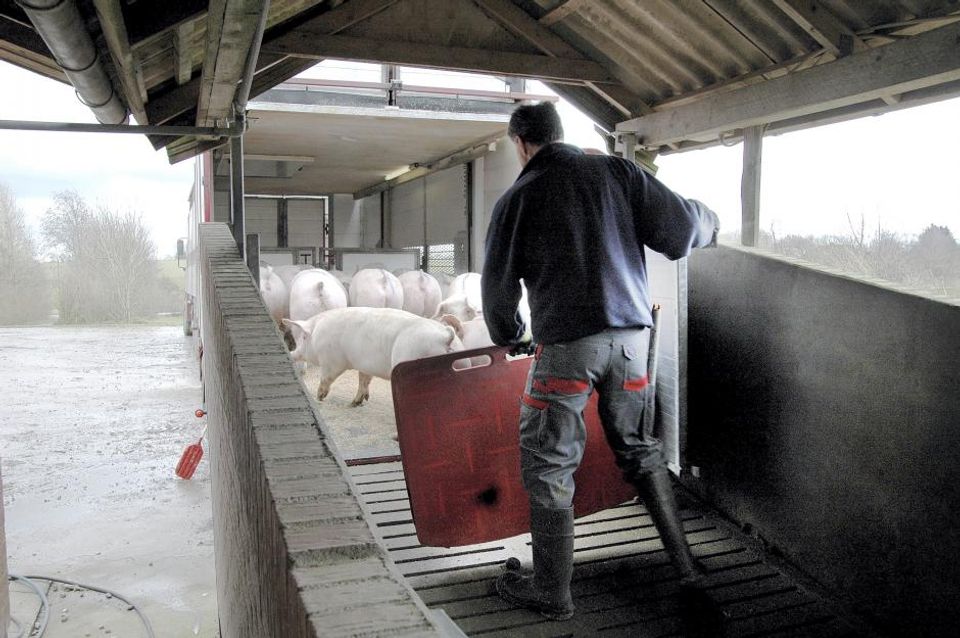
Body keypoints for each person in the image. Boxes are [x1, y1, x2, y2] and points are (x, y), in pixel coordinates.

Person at [481, 101, 720, 620]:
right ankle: (687, 569)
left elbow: (498, 293)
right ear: (559, 133)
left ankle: (552, 592)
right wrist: (710, 219)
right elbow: (680, 231)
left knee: (548, 464)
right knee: (640, 448)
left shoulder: (517, 198)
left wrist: (512, 335)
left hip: (568, 349)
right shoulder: (618, 171)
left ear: (521, 143)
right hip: (633, 343)